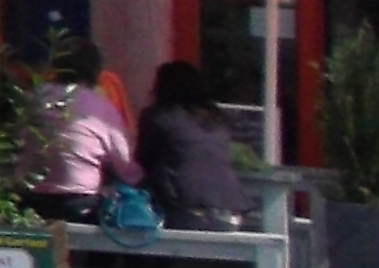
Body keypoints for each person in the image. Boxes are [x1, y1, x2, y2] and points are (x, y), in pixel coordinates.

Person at [28, 38, 142, 221]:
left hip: (31, 198)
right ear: (95, 72)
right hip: (79, 202)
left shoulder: (33, 97)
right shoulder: (101, 107)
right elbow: (125, 166)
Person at [137, 56, 255, 231]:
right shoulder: (216, 119)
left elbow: (144, 160)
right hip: (231, 209)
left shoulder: (158, 118)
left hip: (185, 208)